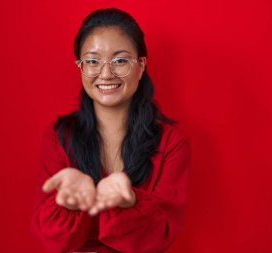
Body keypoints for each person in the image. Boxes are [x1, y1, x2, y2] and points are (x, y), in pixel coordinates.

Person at [30, 8, 190, 253]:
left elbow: (162, 235)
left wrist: (129, 202)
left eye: (120, 60)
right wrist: (69, 204)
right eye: (93, 61)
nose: (105, 74)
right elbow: (52, 239)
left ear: (141, 65)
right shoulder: (61, 137)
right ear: (81, 67)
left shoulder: (171, 142)